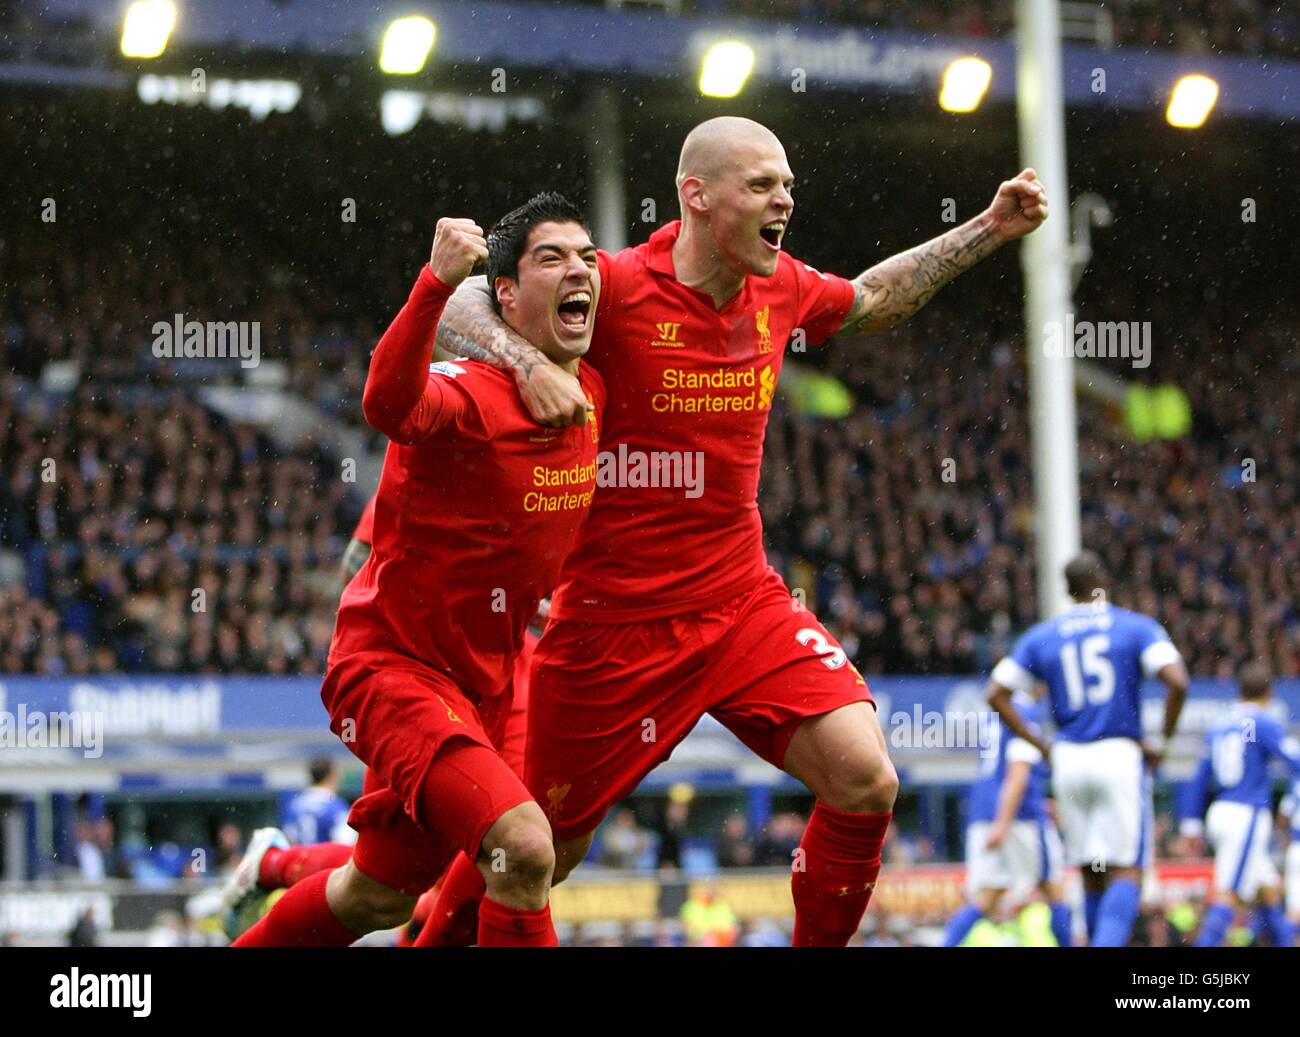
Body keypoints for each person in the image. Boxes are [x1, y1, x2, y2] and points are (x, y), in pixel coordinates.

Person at [435, 115, 1048, 945]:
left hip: (740, 603)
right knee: (534, 852)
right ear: (696, 196)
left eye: (788, 184)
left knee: (866, 777)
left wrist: (989, 227)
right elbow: (469, 299)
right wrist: (532, 362)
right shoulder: (612, 283)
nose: (785, 199)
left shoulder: (782, 288)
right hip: (611, 629)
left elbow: (868, 300)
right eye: (762, 185)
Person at [233, 192, 605, 947]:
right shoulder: (470, 393)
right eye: (552, 257)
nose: (580, 270)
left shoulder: (591, 392)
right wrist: (432, 284)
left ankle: (273, 867)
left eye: (588, 256)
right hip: (394, 673)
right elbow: (388, 402)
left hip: (490, 682)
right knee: (524, 848)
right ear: (506, 293)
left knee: (377, 896)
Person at [987, 551, 1190, 947]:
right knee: (1128, 871)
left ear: (1066, 590)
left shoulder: (1042, 635)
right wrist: (1163, 742)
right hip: (1118, 753)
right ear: (1104, 581)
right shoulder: (1134, 627)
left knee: (1092, 870)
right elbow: (1177, 681)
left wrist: (1041, 745)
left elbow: (995, 693)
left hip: (1068, 759)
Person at [1179, 661, 1300, 947]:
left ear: (1239, 690)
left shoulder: (1219, 725)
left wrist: (1190, 823)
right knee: (1228, 894)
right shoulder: (1264, 721)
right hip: (1246, 814)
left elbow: (1199, 778)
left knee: (1267, 893)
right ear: (1269, 693)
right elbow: (1294, 760)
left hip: (1220, 811)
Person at [942, 691, 1070, 947]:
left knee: (985, 898)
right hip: (1019, 818)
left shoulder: (996, 713)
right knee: (1054, 890)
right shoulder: (1023, 712)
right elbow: (1018, 773)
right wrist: (1003, 822)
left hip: (984, 814)